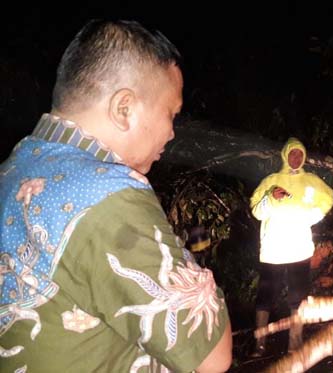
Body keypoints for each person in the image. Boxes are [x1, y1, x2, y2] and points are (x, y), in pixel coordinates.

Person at [0, 20, 232, 372]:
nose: (171, 133)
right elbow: (210, 356)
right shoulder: (107, 194)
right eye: (171, 114)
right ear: (124, 108)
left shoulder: (13, 169)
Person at [249, 137, 333, 356]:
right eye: (292, 154)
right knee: (266, 296)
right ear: (285, 155)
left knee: (298, 297)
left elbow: (328, 197)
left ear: (303, 157)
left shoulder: (311, 181)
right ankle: (259, 344)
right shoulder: (271, 181)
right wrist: (271, 198)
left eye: (299, 154)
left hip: (299, 249)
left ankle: (294, 344)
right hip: (273, 251)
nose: (295, 158)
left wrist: (312, 216)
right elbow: (257, 211)